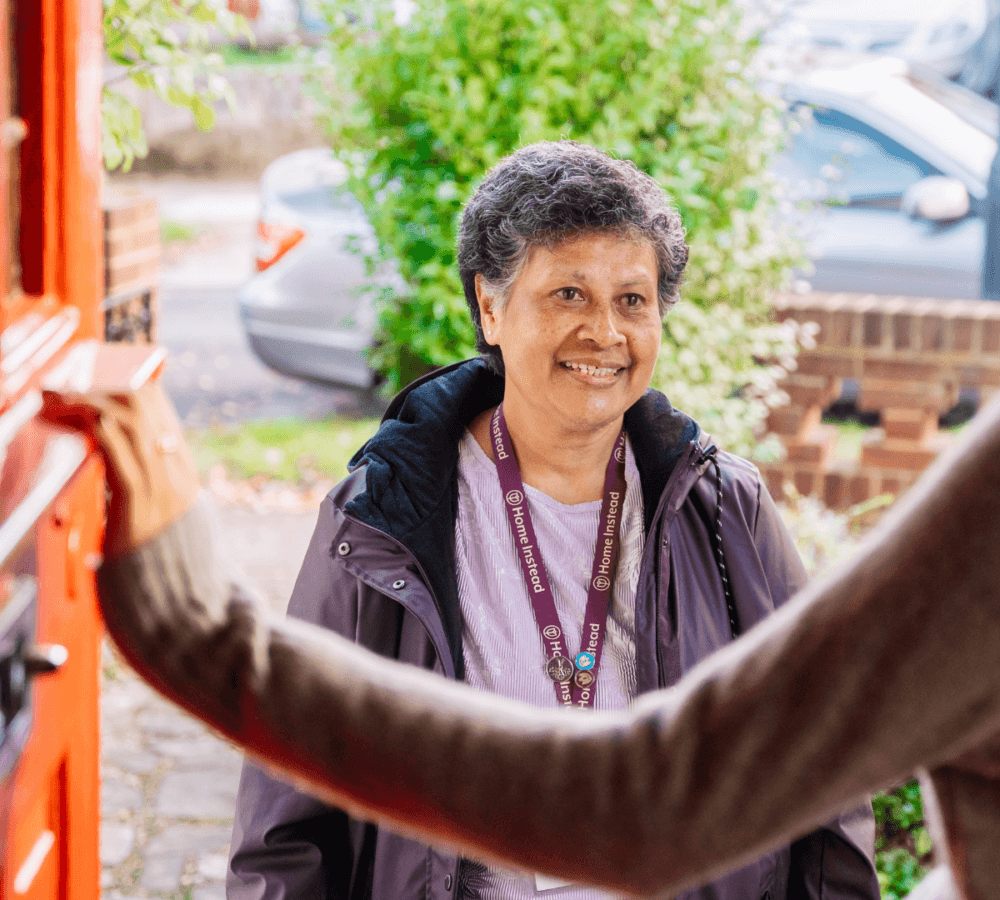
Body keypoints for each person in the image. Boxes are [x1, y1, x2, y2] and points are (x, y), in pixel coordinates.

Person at [222, 140, 878, 900]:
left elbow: (825, 762)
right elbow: (287, 811)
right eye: (568, 294)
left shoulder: (723, 508)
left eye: (632, 300)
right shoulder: (383, 518)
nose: (605, 332)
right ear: (490, 307)